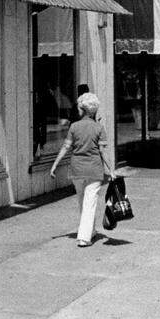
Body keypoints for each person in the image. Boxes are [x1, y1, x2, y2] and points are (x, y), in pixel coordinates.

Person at [49, 92, 115, 247]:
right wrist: (111, 169)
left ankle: (90, 231)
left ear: (82, 109)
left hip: (77, 170)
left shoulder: (74, 126)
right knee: (89, 203)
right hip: (94, 170)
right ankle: (84, 237)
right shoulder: (99, 128)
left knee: (82, 202)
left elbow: (66, 147)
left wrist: (54, 164)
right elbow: (103, 152)